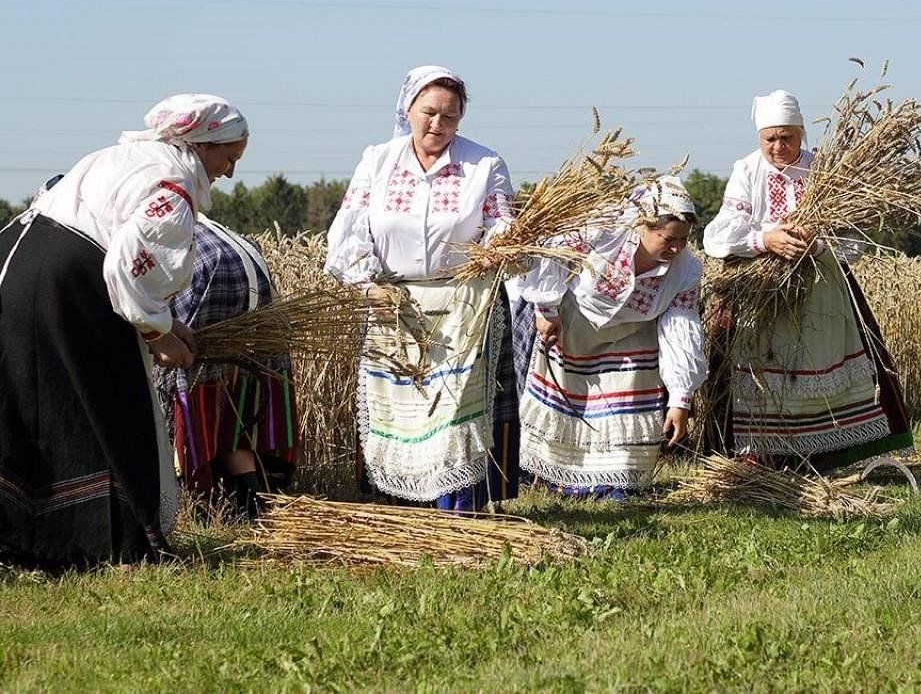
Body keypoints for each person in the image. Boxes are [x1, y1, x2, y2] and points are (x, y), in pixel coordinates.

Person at [0, 94, 249, 567]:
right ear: (203, 143)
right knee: (109, 403)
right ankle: (113, 543)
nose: (230, 172)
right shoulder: (172, 187)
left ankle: (24, 537)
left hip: (17, 270)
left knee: (33, 404)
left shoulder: (124, 155)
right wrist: (158, 335)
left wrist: (165, 321)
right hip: (66, 286)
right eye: (229, 158)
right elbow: (125, 266)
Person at [326, 65, 520, 512]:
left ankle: (459, 506)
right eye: (429, 112)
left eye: (449, 117)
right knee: (404, 404)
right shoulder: (378, 160)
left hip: (465, 303)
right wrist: (366, 283)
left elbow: (502, 225)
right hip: (393, 303)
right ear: (408, 109)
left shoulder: (484, 164)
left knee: (455, 408)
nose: (438, 125)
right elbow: (350, 231)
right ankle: (406, 508)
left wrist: (493, 251)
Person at [702, 90, 913, 471]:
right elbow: (718, 234)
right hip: (761, 291)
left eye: (788, 138)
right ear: (759, 138)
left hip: (822, 289)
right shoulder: (747, 170)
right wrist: (765, 239)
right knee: (764, 364)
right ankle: (761, 456)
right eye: (771, 139)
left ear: (802, 133)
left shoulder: (825, 169)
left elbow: (855, 237)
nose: (779, 147)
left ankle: (831, 455)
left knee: (821, 358)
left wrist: (816, 245)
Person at [512, 176, 706, 499]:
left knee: (620, 407)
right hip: (572, 322)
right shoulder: (600, 232)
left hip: (631, 337)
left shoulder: (685, 271)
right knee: (569, 403)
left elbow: (681, 330)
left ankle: (612, 482)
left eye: (683, 240)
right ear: (643, 226)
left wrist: (680, 397)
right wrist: (546, 310)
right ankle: (557, 478)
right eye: (668, 238)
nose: (676, 248)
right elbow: (550, 253)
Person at [155, 216, 298, 520]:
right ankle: (252, 506)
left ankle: (202, 505)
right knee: (231, 407)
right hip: (246, 276)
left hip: (210, 281)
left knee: (192, 390)